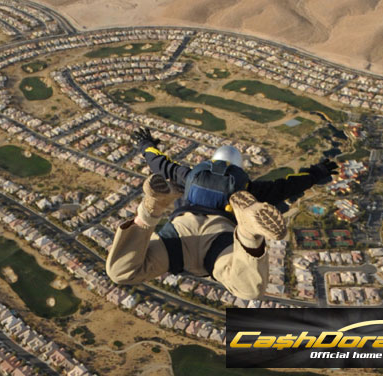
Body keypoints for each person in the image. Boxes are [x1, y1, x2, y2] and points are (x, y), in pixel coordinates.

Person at [105, 128, 338, 300]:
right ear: (238, 167)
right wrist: (317, 173)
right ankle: (247, 233)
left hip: (179, 235)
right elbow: (288, 186)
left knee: (120, 272)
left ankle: (150, 210)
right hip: (217, 243)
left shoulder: (189, 176)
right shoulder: (248, 189)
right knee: (249, 291)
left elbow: (159, 164)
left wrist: (146, 145)